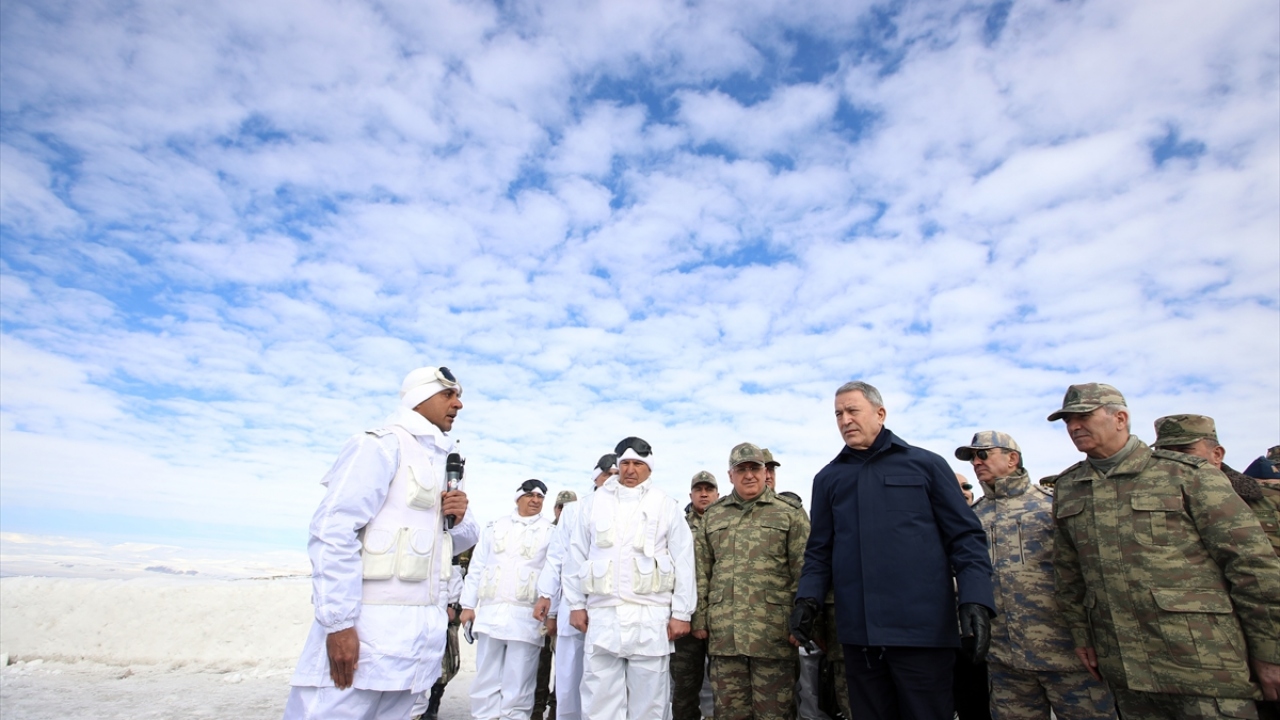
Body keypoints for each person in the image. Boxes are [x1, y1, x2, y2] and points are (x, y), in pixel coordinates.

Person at [1048, 383, 1280, 720]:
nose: (1073, 426)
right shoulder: (1069, 486)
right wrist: (1082, 635)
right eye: (1068, 420)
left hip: (1203, 665)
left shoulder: (1186, 474)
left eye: (1083, 416)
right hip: (1125, 669)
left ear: (1120, 418)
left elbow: (1252, 565)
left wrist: (1271, 651)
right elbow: (1069, 573)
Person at [791, 380, 995, 720]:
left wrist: (976, 599)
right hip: (860, 637)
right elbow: (819, 552)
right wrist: (807, 599)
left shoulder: (926, 465)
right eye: (838, 414)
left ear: (880, 413)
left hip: (923, 633)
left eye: (853, 411)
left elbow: (965, 537)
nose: (845, 420)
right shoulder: (828, 478)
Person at [284, 366, 479, 720]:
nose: (458, 404)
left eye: (458, 396)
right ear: (419, 398)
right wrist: (339, 624)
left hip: (415, 650)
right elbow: (332, 531)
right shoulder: (379, 446)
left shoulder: (445, 463)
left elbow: (459, 540)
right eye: (448, 395)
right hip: (364, 639)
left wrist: (461, 516)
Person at [958, 431, 1116, 720]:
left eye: (983, 454)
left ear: (1012, 458)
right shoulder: (973, 517)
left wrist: (1090, 635)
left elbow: (1086, 573)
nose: (976, 462)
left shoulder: (1052, 506)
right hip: (1005, 659)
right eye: (972, 458)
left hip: (1066, 654)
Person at [564, 437, 696, 720]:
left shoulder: (665, 505)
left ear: (649, 468)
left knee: (650, 704)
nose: (630, 470)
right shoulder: (592, 504)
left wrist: (682, 613)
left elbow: (684, 562)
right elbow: (576, 555)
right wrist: (575, 604)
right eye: (625, 463)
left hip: (650, 618)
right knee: (599, 701)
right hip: (603, 616)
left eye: (638, 464)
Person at [692, 444, 810, 720]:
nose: (749, 475)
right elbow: (701, 571)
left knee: (775, 714)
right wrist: (699, 618)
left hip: (774, 636)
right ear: (730, 475)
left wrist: (803, 622)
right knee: (728, 714)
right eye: (741, 469)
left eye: (754, 468)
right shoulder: (713, 515)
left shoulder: (789, 513)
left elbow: (804, 570)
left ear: (764, 471)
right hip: (725, 636)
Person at [460, 479, 555, 720]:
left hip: (526, 618)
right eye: (530, 495)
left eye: (540, 497)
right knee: (486, 678)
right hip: (491, 615)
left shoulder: (550, 532)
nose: (535, 500)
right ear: (518, 498)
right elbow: (477, 566)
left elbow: (554, 571)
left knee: (519, 680)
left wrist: (551, 612)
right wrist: (468, 605)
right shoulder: (495, 527)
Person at [533, 454, 617, 720]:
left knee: (603, 685)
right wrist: (547, 597)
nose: (613, 479)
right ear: (596, 477)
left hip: (608, 608)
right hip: (573, 605)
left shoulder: (627, 511)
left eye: (617, 474)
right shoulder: (573, 511)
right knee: (569, 680)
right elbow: (556, 557)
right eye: (608, 474)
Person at [1153, 415, 1280, 557]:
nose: (1172, 459)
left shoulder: (1269, 497)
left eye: (1185, 451)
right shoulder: (1149, 505)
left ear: (1217, 455)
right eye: (1164, 452)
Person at [671, 471, 720, 720]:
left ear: (717, 494)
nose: (703, 494)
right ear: (690, 495)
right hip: (686, 620)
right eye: (698, 490)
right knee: (684, 688)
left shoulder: (727, 525)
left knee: (725, 688)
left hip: (720, 618)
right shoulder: (677, 527)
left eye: (708, 489)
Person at [530, 491, 579, 720]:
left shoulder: (578, 533)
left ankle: (556, 707)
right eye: (561, 507)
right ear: (555, 509)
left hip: (567, 609)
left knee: (565, 665)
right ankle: (536, 708)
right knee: (540, 663)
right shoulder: (546, 533)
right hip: (543, 609)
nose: (564, 511)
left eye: (569, 507)